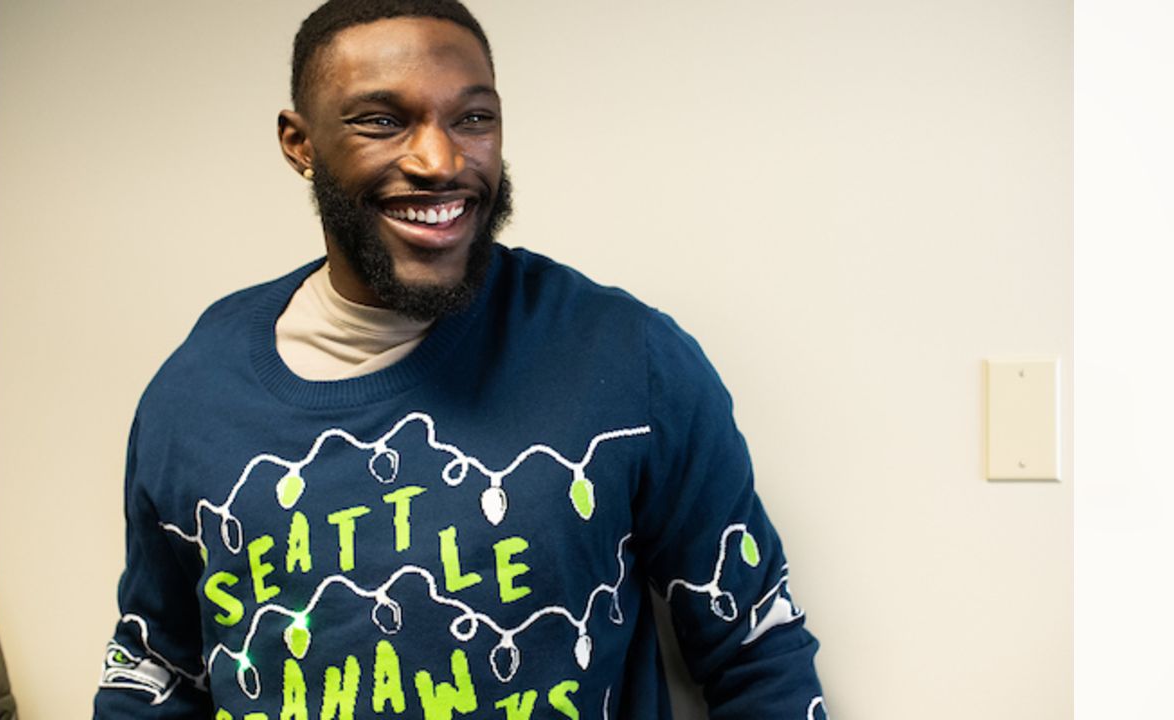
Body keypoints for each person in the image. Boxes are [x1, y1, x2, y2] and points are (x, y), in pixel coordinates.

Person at [93, 1, 826, 718]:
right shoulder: (192, 396)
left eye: (473, 118)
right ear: (300, 143)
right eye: (382, 120)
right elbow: (155, 670)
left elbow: (757, 649)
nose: (440, 161)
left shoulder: (626, 358)